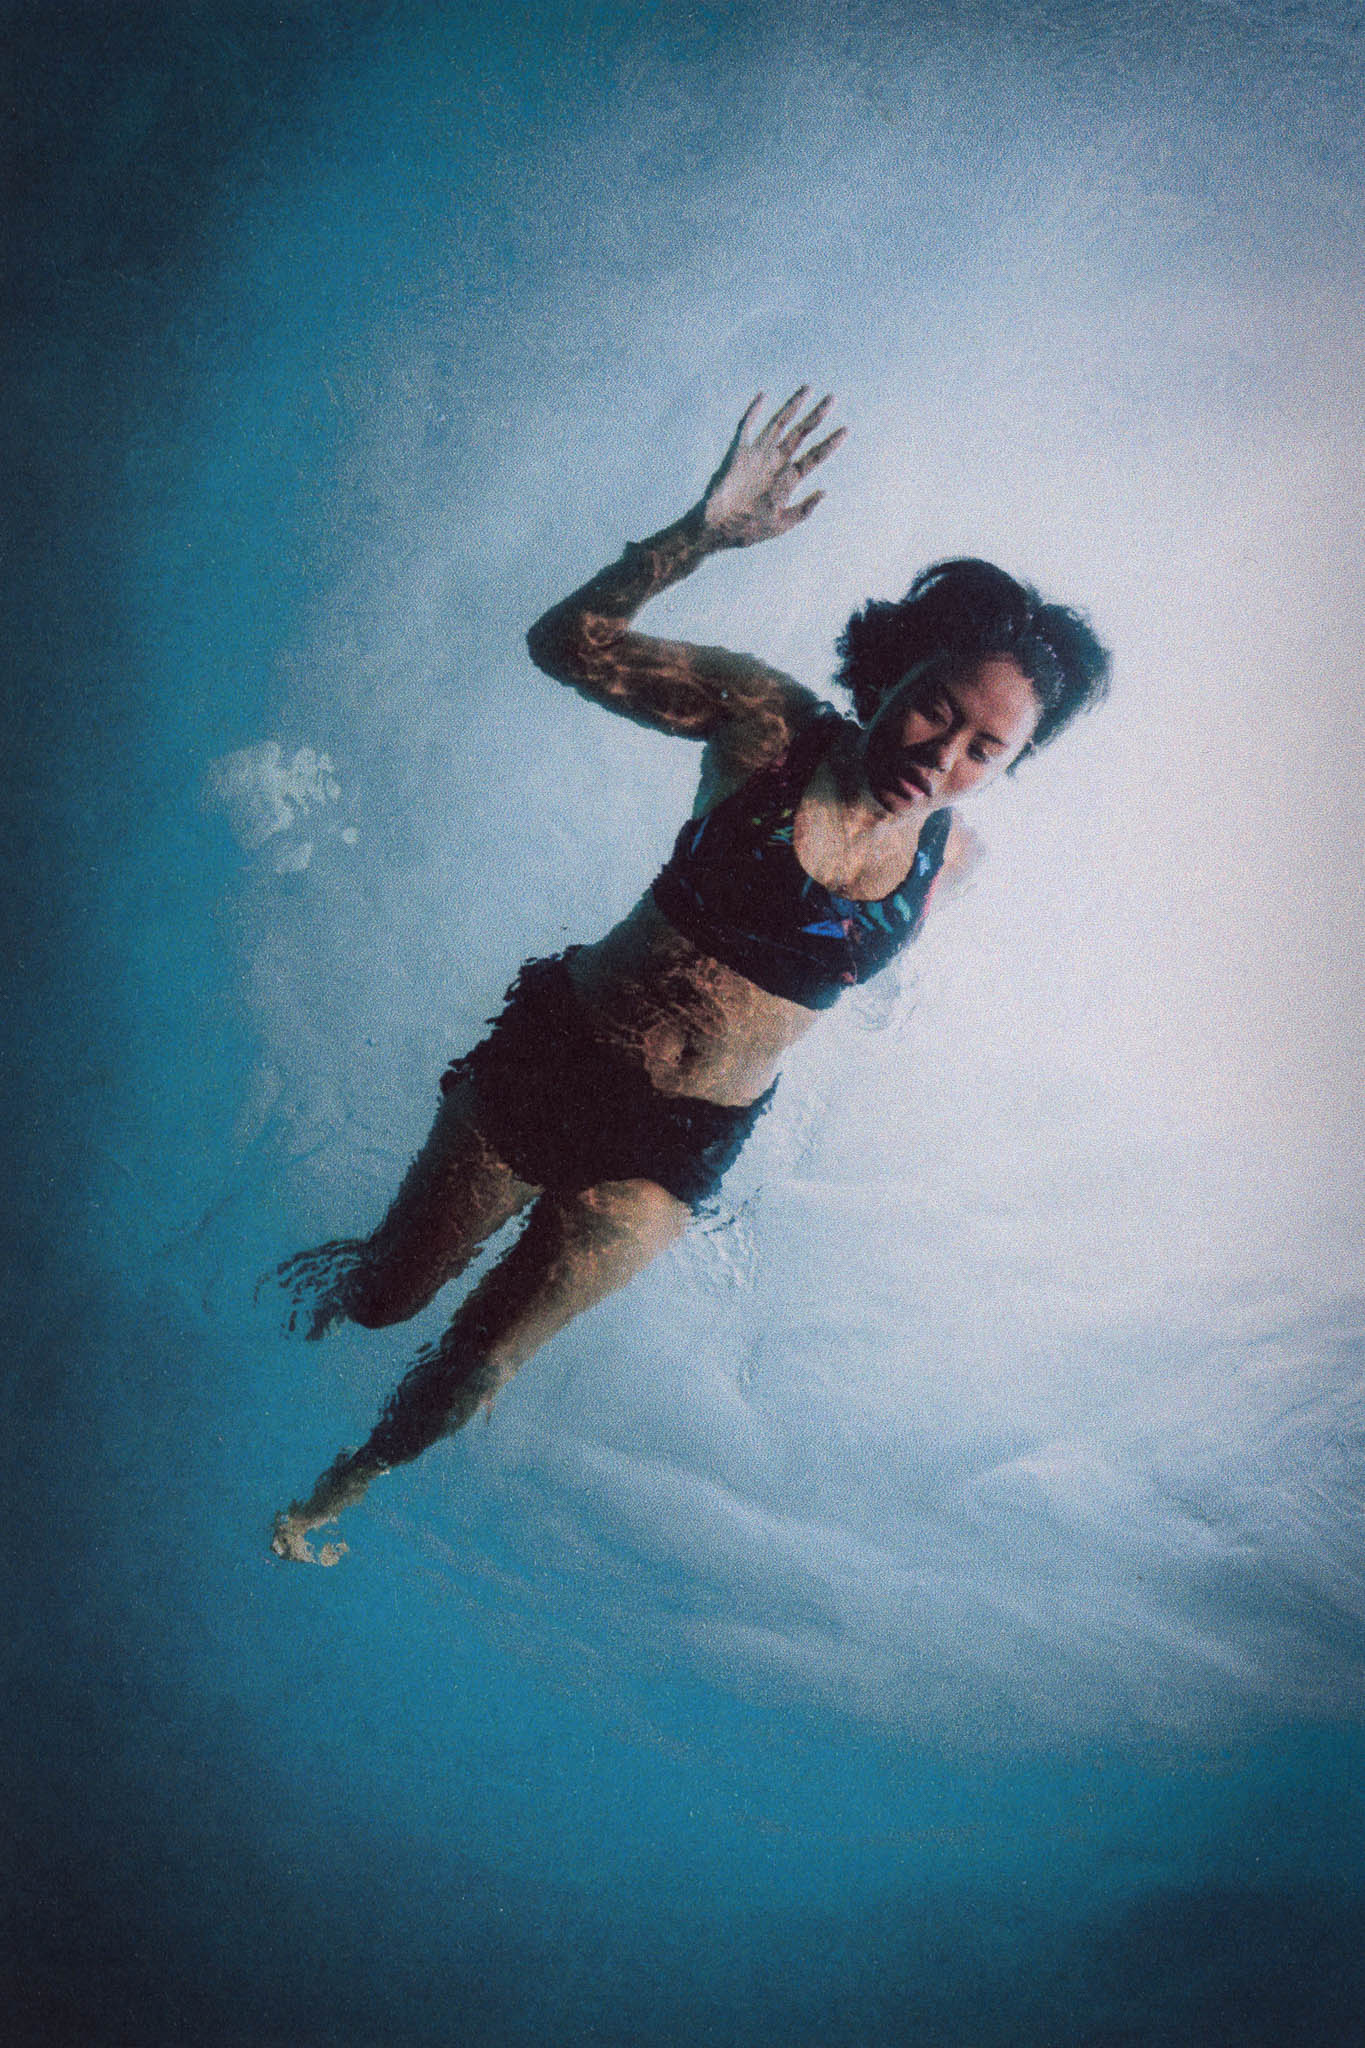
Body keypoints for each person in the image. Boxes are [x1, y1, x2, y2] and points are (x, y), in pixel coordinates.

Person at [269, 387, 1110, 1563]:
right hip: (562, 1055)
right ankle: (332, 1290)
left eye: (986, 748)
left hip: (680, 1145)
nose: (943, 754)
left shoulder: (951, 862)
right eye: (936, 707)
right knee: (388, 1299)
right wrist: (699, 535)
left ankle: (334, 1493)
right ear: (894, 669)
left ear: (1011, 765)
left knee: (479, 1366)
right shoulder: (770, 727)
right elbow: (564, 645)